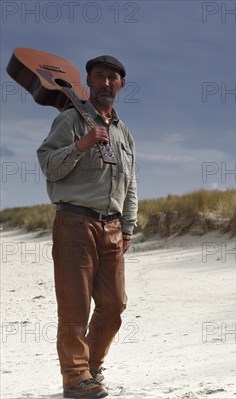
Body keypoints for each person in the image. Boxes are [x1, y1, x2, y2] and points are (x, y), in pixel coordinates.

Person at [37, 55, 137, 399]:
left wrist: (128, 228)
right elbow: (49, 165)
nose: (106, 82)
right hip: (74, 223)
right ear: (88, 81)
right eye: (100, 76)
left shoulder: (124, 133)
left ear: (121, 84)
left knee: (113, 305)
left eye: (113, 77)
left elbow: (131, 182)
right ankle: (75, 378)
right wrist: (82, 145)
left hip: (111, 229)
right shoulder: (70, 121)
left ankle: (92, 368)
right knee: (75, 306)